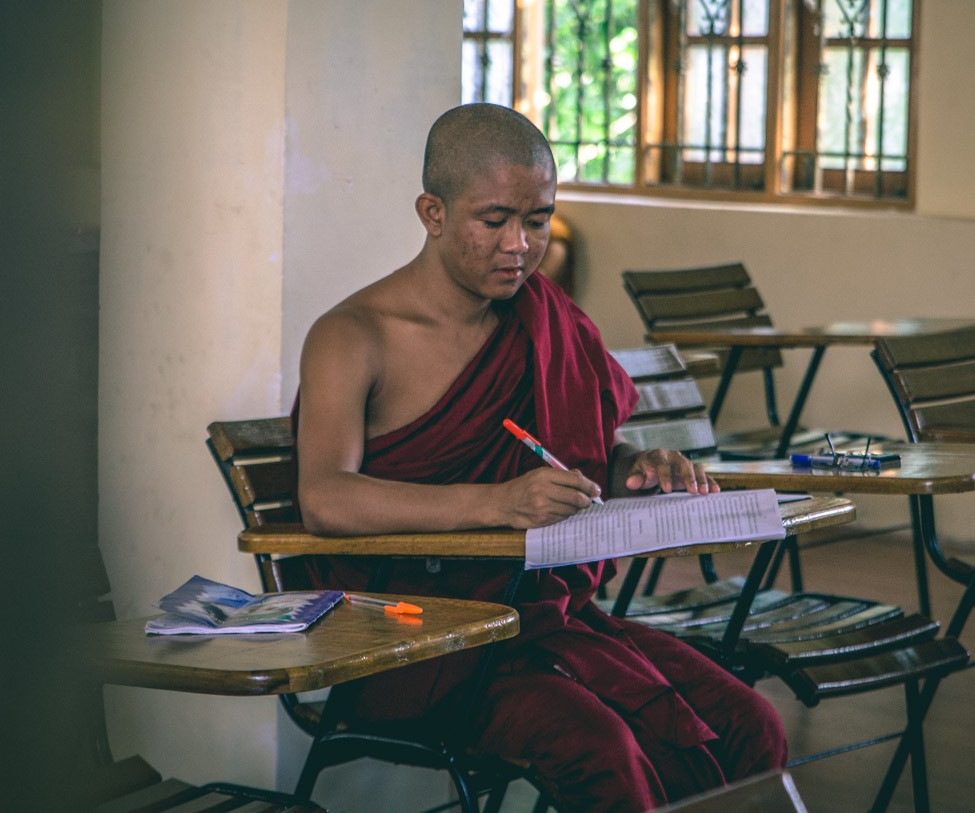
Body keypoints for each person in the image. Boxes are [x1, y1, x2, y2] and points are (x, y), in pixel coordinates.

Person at [293, 103, 787, 811]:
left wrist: (639, 470)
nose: (520, 246)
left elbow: (582, 447)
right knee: (602, 748)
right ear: (432, 212)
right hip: (425, 644)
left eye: (538, 220)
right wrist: (496, 503)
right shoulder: (354, 334)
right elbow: (325, 497)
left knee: (749, 723)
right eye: (493, 221)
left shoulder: (544, 318)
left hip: (546, 618)